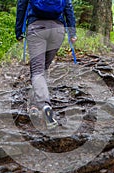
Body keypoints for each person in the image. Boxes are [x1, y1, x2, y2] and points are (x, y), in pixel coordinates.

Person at [15, 0, 77, 129]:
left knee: (37, 71)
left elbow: (22, 6)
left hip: (36, 27)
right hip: (57, 30)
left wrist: (19, 31)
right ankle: (33, 106)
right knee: (42, 70)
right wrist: (72, 32)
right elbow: (68, 7)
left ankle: (44, 106)